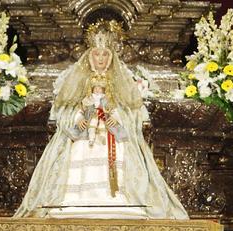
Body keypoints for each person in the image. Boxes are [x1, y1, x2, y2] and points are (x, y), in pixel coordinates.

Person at [14, 20, 187, 219]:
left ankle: (118, 199)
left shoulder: (121, 82)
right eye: (97, 54)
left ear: (112, 58)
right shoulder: (78, 81)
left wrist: (117, 119)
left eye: (105, 54)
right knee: (78, 152)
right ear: (89, 56)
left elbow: (131, 111)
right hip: (84, 134)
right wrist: (80, 117)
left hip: (112, 135)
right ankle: (73, 201)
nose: (101, 59)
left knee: (120, 156)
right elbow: (66, 109)